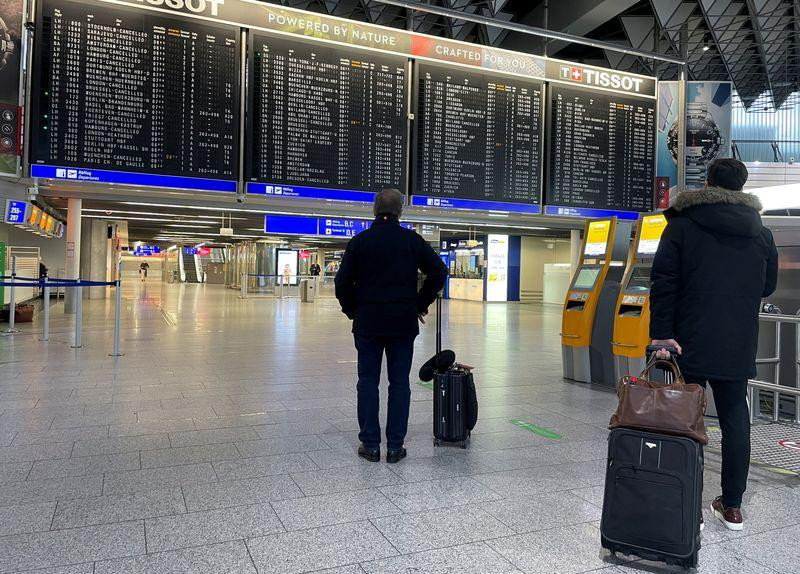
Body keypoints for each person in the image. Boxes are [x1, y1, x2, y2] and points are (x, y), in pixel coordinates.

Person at [650, 158, 778, 531]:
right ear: (743, 187)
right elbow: (767, 286)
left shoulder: (682, 226)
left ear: (707, 183)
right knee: (736, 420)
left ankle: (687, 502)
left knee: (685, 418)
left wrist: (661, 334)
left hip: (687, 339)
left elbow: (664, 282)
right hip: (737, 342)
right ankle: (732, 506)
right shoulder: (762, 233)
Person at [335, 188, 447, 463]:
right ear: (400, 212)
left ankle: (371, 445)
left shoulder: (360, 242)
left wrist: (353, 311)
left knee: (368, 383)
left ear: (374, 210)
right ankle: (395, 446)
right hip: (402, 323)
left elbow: (341, 283)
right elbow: (439, 272)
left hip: (368, 323)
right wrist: (419, 304)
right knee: (399, 384)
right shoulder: (411, 241)